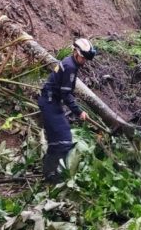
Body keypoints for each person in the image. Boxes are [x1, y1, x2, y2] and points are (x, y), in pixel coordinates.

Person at [38, 38, 96, 183]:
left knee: (59, 139)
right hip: (49, 102)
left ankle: (49, 172)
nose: (85, 61)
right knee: (63, 140)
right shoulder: (70, 67)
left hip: (52, 102)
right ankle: (52, 176)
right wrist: (79, 112)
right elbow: (66, 94)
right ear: (76, 53)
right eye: (83, 58)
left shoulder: (70, 63)